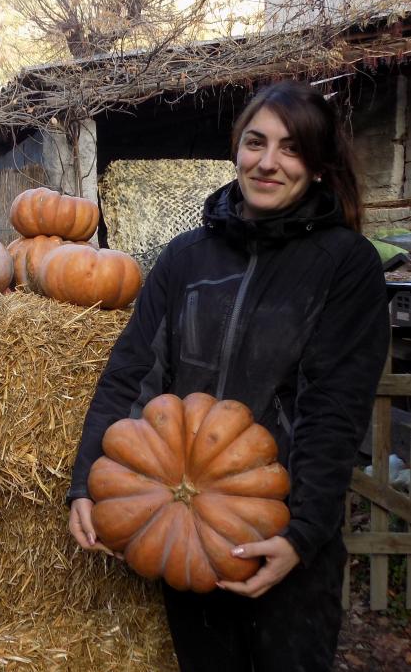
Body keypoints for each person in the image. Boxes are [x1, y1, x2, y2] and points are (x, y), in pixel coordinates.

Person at [67, 80, 389, 671]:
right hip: (185, 525)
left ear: (318, 166)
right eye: (255, 142)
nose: (268, 162)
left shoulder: (345, 265)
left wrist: (301, 537)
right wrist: (87, 479)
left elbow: (333, 408)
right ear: (236, 149)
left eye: (291, 149)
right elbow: (132, 371)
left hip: (280, 533)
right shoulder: (186, 257)